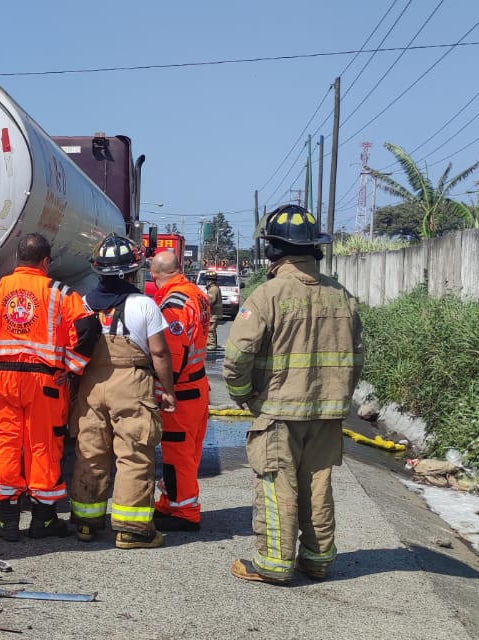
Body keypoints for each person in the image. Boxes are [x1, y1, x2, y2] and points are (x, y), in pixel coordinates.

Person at [225, 204, 365, 585]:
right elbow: (356, 358)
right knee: (318, 485)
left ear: (273, 250)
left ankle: (273, 563)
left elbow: (237, 357)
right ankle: (317, 559)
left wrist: (245, 397)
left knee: (277, 485)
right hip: (327, 413)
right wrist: (339, 398)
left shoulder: (267, 295)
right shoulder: (343, 297)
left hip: (278, 411)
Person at [0, 233, 98, 541]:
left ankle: (8, 523)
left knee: (3, 444)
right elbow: (88, 328)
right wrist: (72, 365)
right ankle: (43, 521)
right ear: (45, 262)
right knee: (44, 446)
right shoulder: (59, 293)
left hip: (1, 379)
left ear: (18, 261)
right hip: (45, 382)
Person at [68, 235, 178, 550]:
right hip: (132, 384)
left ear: (99, 271)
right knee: (133, 452)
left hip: (92, 384)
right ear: (132, 272)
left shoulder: (85, 303)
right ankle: (132, 529)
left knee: (91, 450)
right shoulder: (145, 304)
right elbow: (159, 353)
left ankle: (87, 522)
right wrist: (167, 390)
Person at [147, 249, 211, 532]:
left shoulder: (174, 303)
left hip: (182, 390)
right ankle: (173, 502)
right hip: (197, 386)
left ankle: (184, 511)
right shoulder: (196, 294)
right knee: (190, 452)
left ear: (153, 275)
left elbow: (171, 353)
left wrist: (164, 390)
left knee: (177, 456)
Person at [205, 274, 223, 351]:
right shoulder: (215, 288)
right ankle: (214, 344)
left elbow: (210, 301)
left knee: (210, 329)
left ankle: (211, 345)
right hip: (215, 313)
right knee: (212, 328)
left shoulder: (212, 289)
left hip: (213, 313)